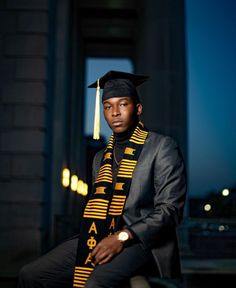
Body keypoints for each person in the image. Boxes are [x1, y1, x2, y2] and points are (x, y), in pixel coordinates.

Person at [17, 70, 187, 288]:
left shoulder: (161, 147)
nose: (115, 112)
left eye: (123, 104)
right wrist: (106, 237)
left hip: (143, 241)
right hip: (98, 234)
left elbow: (170, 210)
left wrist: (122, 237)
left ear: (138, 108)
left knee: (95, 283)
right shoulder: (100, 158)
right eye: (107, 106)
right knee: (30, 274)